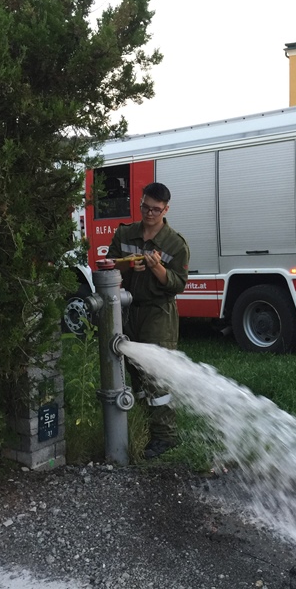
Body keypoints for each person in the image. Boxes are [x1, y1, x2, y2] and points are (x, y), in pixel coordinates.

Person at [107, 182, 190, 458]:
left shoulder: (175, 244)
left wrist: (158, 270)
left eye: (156, 209)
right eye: (145, 207)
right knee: (134, 371)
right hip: (129, 310)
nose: (149, 213)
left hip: (158, 313)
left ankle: (165, 436)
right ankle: (144, 422)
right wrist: (128, 264)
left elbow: (179, 284)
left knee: (156, 375)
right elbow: (109, 264)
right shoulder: (125, 233)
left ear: (166, 210)